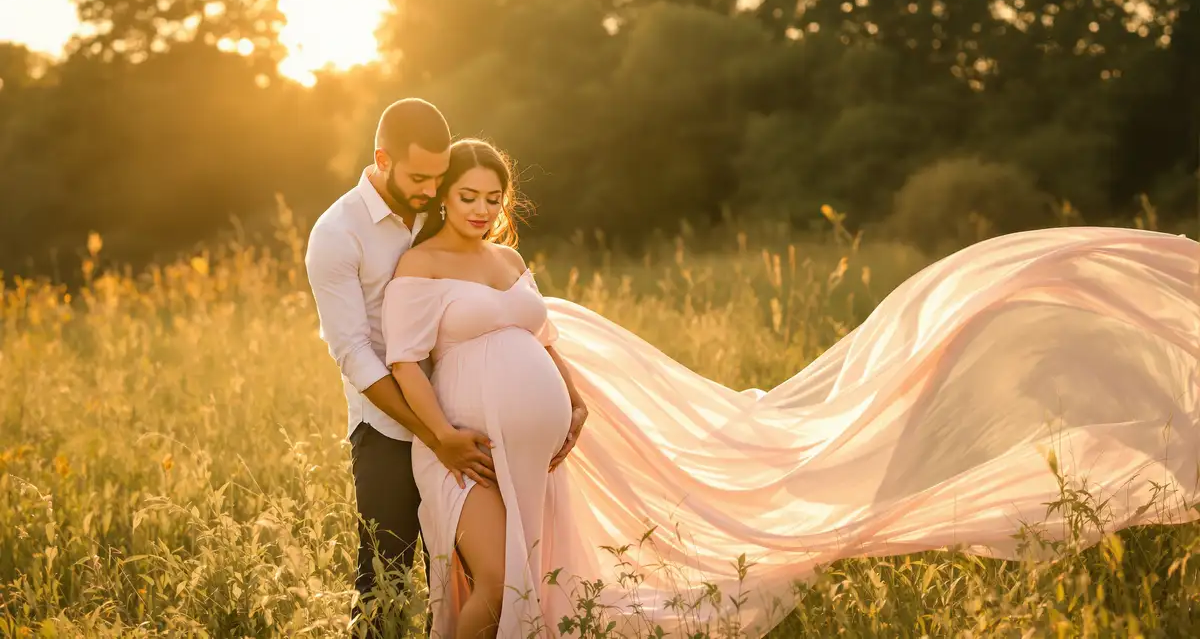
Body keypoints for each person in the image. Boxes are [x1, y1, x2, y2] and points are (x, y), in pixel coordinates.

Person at [382, 136, 1200, 639]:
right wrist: (443, 437)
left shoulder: (508, 261)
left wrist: (574, 394)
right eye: (468, 197)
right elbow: (404, 364)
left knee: (527, 583)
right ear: (441, 196)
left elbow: (542, 334)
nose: (484, 210)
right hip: (466, 451)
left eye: (494, 198)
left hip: (539, 455)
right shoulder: (419, 266)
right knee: (491, 587)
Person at [304, 99, 498, 632]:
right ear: (381, 158)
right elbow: (354, 356)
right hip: (390, 431)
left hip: (468, 418)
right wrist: (435, 435)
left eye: (440, 177)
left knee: (477, 574)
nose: (432, 190)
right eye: (418, 177)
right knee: (385, 581)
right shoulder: (337, 234)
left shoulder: (440, 206)